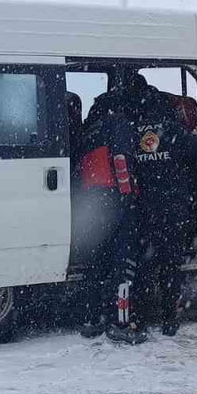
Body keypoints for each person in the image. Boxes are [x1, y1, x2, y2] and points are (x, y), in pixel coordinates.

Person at [97, 73, 197, 336]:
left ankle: (141, 318)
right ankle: (170, 320)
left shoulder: (131, 130)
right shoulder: (171, 128)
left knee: (144, 267)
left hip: (144, 208)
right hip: (173, 208)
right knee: (170, 266)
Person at [72, 103, 146, 344]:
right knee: (124, 263)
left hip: (91, 200)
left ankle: (92, 319)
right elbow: (121, 160)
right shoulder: (118, 123)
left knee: (96, 263)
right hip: (114, 198)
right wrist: (128, 196)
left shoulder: (88, 130)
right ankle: (121, 323)